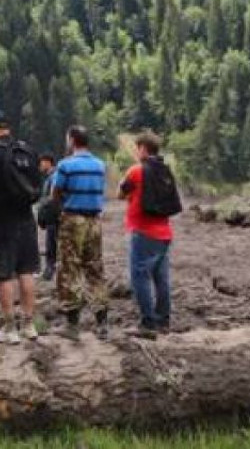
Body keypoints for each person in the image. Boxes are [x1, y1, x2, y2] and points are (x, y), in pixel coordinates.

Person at [0, 110, 41, 344]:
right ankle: (30, 325)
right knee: (26, 271)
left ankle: (9, 328)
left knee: (4, 274)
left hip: (2, 222)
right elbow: (37, 186)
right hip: (26, 218)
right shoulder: (27, 150)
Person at [52, 125, 110, 340]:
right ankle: (102, 322)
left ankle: (72, 325)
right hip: (95, 221)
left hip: (73, 219)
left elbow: (55, 194)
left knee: (70, 268)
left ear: (72, 140)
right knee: (95, 269)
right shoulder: (100, 165)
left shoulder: (66, 165)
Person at [119, 132, 175, 338]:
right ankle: (164, 322)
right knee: (161, 278)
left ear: (143, 148)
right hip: (164, 232)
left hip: (143, 232)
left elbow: (120, 193)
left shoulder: (136, 171)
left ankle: (148, 323)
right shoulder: (165, 170)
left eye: (137, 147)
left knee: (140, 277)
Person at [34, 152, 61, 281]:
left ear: (47, 162)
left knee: (52, 245)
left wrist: (44, 209)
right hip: (52, 216)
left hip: (54, 216)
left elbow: (52, 197)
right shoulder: (49, 177)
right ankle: (50, 271)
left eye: (41, 163)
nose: (39, 166)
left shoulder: (54, 176)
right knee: (52, 244)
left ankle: (50, 271)